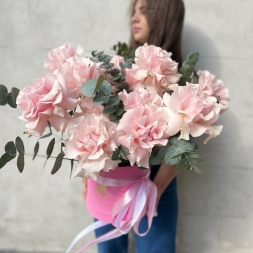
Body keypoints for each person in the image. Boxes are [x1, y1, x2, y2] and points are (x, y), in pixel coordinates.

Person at [95, 0, 185, 252]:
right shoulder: (118, 71)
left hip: (157, 183)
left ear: (166, 16)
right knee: (108, 248)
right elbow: (90, 126)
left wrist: (155, 191)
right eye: (133, 11)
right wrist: (87, 182)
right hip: (109, 183)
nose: (135, 18)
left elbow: (184, 145)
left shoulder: (183, 79)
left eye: (144, 11)